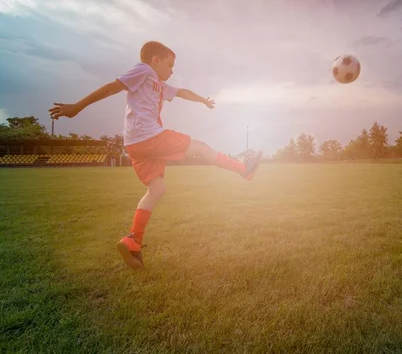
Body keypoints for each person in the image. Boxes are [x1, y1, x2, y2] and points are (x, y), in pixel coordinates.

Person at [49, 41, 262, 270]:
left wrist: (201, 99)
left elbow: (181, 92)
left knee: (157, 189)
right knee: (200, 146)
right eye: (170, 65)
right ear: (155, 60)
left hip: (134, 145)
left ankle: (133, 242)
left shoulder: (159, 84)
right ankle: (244, 169)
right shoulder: (144, 71)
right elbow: (113, 87)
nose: (172, 71)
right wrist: (77, 107)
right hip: (147, 137)